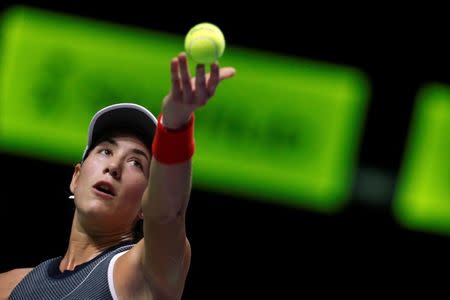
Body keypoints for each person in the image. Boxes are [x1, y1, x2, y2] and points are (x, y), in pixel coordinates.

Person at [0, 52, 236, 299]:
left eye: (136, 162)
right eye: (105, 150)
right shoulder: (10, 285)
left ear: (146, 202)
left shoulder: (141, 274)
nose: (114, 166)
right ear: (76, 177)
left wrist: (175, 124)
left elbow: (167, 213)